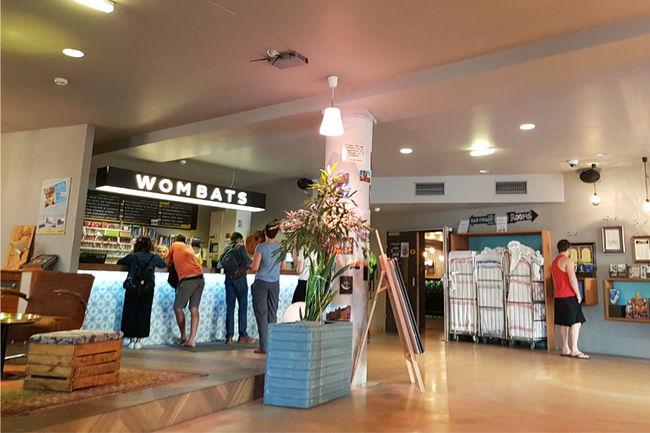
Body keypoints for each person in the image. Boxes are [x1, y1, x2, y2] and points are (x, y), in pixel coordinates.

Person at [117, 236, 166, 349]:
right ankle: (139, 341)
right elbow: (163, 265)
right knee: (144, 313)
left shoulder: (132, 256)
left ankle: (131, 341)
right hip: (148, 288)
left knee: (130, 312)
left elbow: (119, 262)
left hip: (132, 286)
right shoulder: (155, 257)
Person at [249, 221, 284, 354]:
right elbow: (283, 267)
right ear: (276, 233)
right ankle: (272, 345)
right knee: (272, 314)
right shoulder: (281, 247)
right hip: (275, 283)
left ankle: (263, 346)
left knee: (262, 314)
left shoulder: (261, 247)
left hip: (261, 283)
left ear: (265, 233)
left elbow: (255, 267)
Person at [552, 239, 589, 359]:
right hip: (569, 295)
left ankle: (565, 348)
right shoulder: (568, 261)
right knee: (576, 322)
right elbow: (572, 279)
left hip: (559, 296)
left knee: (564, 323)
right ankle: (574, 349)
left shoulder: (554, 262)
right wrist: (578, 294)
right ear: (569, 249)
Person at [166, 234, 204, 348]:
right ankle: (192, 340)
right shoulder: (189, 248)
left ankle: (183, 337)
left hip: (188, 279)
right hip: (200, 278)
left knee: (177, 308)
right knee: (194, 308)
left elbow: (167, 262)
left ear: (175, 241)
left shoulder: (175, 245)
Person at [220, 232, 255, 344]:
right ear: (239, 239)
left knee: (230, 307)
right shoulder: (241, 247)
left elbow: (221, 263)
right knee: (242, 307)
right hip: (240, 279)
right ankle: (242, 335)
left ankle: (229, 337)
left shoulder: (227, 248)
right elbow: (249, 262)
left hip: (228, 279)